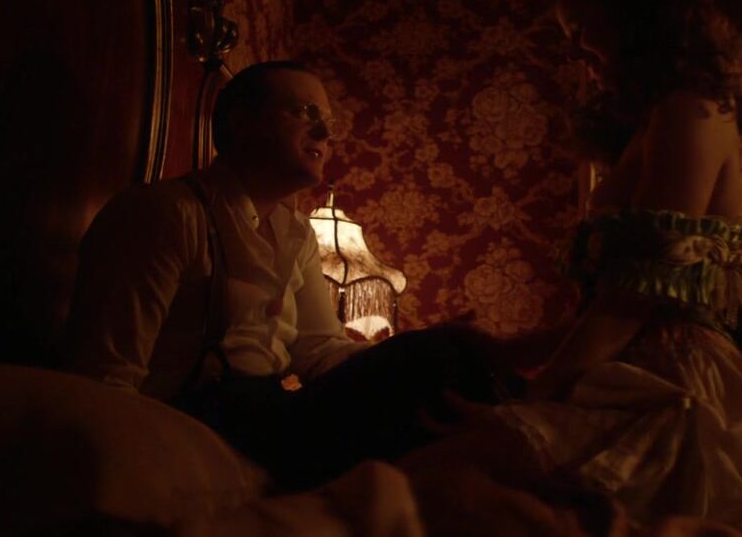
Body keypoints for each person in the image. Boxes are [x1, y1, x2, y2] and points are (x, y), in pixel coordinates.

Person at [405, 0, 742, 530]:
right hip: (644, 372)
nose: (579, 53)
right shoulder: (663, 116)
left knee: (431, 487)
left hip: (684, 393)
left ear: (633, 13)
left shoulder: (690, 109)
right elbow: (635, 303)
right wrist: (509, 351)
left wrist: (533, 397)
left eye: (582, 31)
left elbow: (638, 293)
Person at [66, 61, 504, 490]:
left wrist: (407, 353)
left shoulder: (296, 231)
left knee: (444, 364)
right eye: (304, 112)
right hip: (198, 417)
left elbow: (318, 349)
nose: (325, 133)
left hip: (270, 410)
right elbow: (107, 374)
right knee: (433, 362)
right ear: (242, 122)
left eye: (327, 120)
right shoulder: (166, 214)